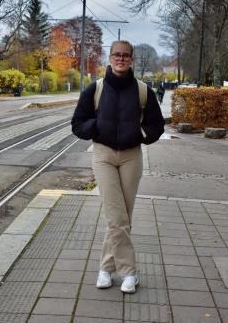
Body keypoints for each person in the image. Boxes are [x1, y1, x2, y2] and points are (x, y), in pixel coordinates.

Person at [71, 40, 165, 293]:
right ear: (109, 58)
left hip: (131, 156)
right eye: (116, 55)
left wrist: (142, 134)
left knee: (122, 217)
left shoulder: (144, 91)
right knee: (116, 215)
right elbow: (78, 123)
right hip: (103, 155)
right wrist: (96, 128)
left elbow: (157, 125)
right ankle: (129, 273)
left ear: (131, 59)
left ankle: (105, 269)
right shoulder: (95, 89)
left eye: (125, 55)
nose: (120, 59)